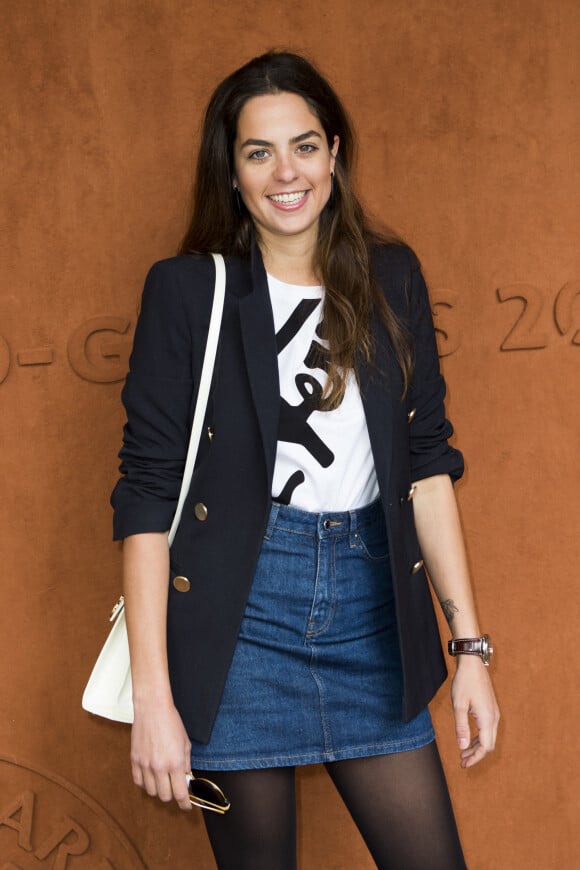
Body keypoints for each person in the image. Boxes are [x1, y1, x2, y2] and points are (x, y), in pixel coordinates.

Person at [111, 51, 500, 870]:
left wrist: (470, 653)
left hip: (374, 611)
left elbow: (427, 465)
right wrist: (154, 698)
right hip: (237, 622)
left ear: (334, 155)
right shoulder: (188, 291)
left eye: (304, 146)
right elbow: (146, 494)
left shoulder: (392, 278)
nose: (286, 172)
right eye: (259, 152)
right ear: (234, 172)